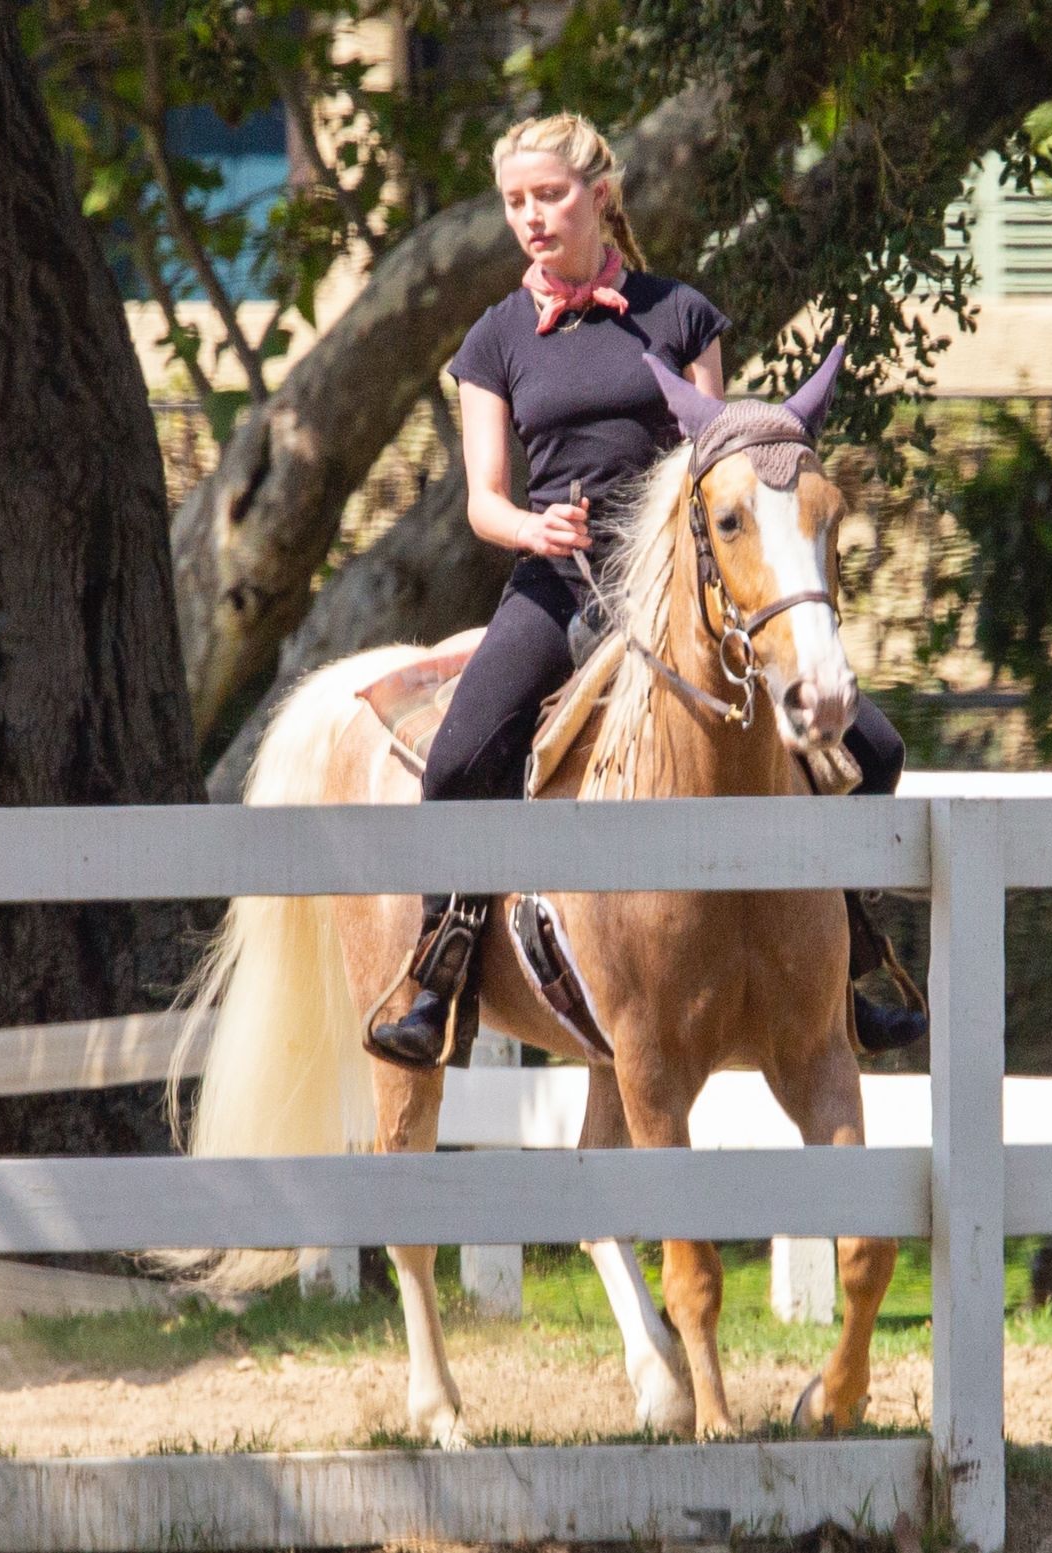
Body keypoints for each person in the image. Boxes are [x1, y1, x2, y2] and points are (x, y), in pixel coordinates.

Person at [368, 112, 924, 1071]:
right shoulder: (495, 338)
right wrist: (533, 529)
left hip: (676, 595)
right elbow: (485, 503)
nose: (531, 218)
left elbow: (717, 466)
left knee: (873, 746)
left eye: (549, 196)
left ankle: (851, 941)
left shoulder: (680, 316)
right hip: (555, 584)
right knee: (457, 759)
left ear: (600, 196)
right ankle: (444, 960)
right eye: (514, 203)